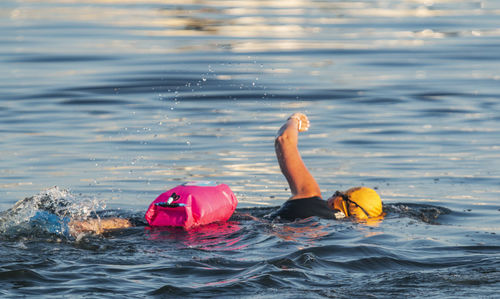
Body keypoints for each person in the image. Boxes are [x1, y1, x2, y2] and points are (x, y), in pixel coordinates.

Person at [268, 113, 383, 221]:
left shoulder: (309, 194)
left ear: (336, 202)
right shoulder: (340, 223)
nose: (332, 196)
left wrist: (294, 120)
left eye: (337, 194)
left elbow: (284, 140)